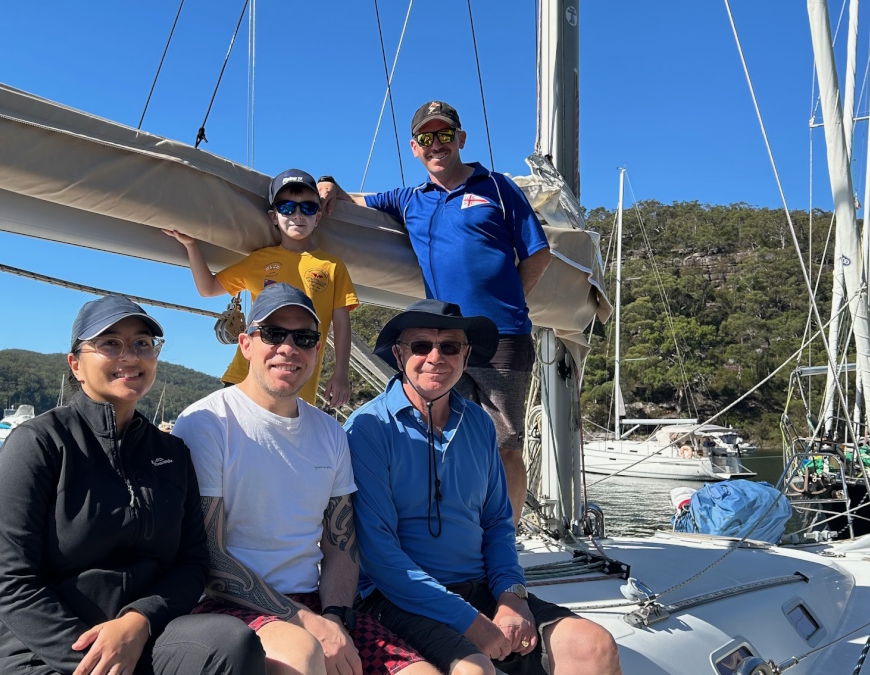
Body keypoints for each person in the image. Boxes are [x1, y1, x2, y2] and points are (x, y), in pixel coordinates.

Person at [0, 295, 265, 675]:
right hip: (38, 653)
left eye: (142, 343)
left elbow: (193, 562)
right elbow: (12, 583)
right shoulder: (39, 444)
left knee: (231, 643)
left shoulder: (172, 454)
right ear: (76, 364)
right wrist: (101, 662)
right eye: (110, 343)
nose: (130, 356)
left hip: (140, 639)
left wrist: (140, 619)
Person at [344, 300, 622, 675]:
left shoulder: (478, 422)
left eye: (450, 347)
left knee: (594, 646)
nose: (435, 357)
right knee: (475, 671)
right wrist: (468, 620)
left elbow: (496, 524)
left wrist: (511, 594)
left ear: (466, 355)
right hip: (397, 598)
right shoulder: (368, 428)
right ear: (398, 354)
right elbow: (378, 555)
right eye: (421, 345)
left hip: (480, 589)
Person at [172, 283, 436, 675]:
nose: (288, 347)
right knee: (303, 654)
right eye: (273, 334)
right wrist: (306, 623)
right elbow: (211, 558)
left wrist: (334, 617)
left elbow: (340, 546)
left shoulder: (330, 433)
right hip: (231, 606)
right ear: (246, 344)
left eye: (304, 338)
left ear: (317, 349)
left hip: (317, 604)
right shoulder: (207, 424)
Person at [320, 101, 552, 527]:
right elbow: (357, 200)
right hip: (443, 341)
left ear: (460, 139)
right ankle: (454, 531)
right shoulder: (410, 199)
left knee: (506, 444)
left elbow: (538, 253)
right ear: (414, 148)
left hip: (504, 336)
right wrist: (328, 187)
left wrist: (512, 301)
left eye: (444, 134)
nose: (436, 144)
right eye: (426, 138)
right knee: (445, 437)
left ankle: (506, 540)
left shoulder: (497, 188)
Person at [164, 168, 358, 409]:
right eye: (287, 207)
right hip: (244, 377)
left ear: (317, 217)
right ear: (273, 217)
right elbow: (208, 288)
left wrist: (341, 373)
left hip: (297, 384)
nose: (297, 215)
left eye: (307, 208)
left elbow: (341, 323)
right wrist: (191, 246)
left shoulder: (332, 266)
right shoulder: (258, 261)